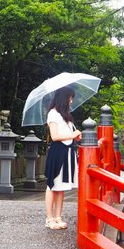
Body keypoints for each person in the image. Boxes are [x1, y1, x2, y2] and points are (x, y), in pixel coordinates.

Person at [44, 86, 80, 230]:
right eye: (70, 97)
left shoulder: (66, 115)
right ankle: (49, 218)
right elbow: (55, 136)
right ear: (63, 98)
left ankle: (58, 216)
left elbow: (68, 134)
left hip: (68, 152)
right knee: (52, 185)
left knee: (61, 187)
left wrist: (75, 136)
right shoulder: (53, 114)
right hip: (57, 152)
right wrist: (71, 135)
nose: (71, 100)